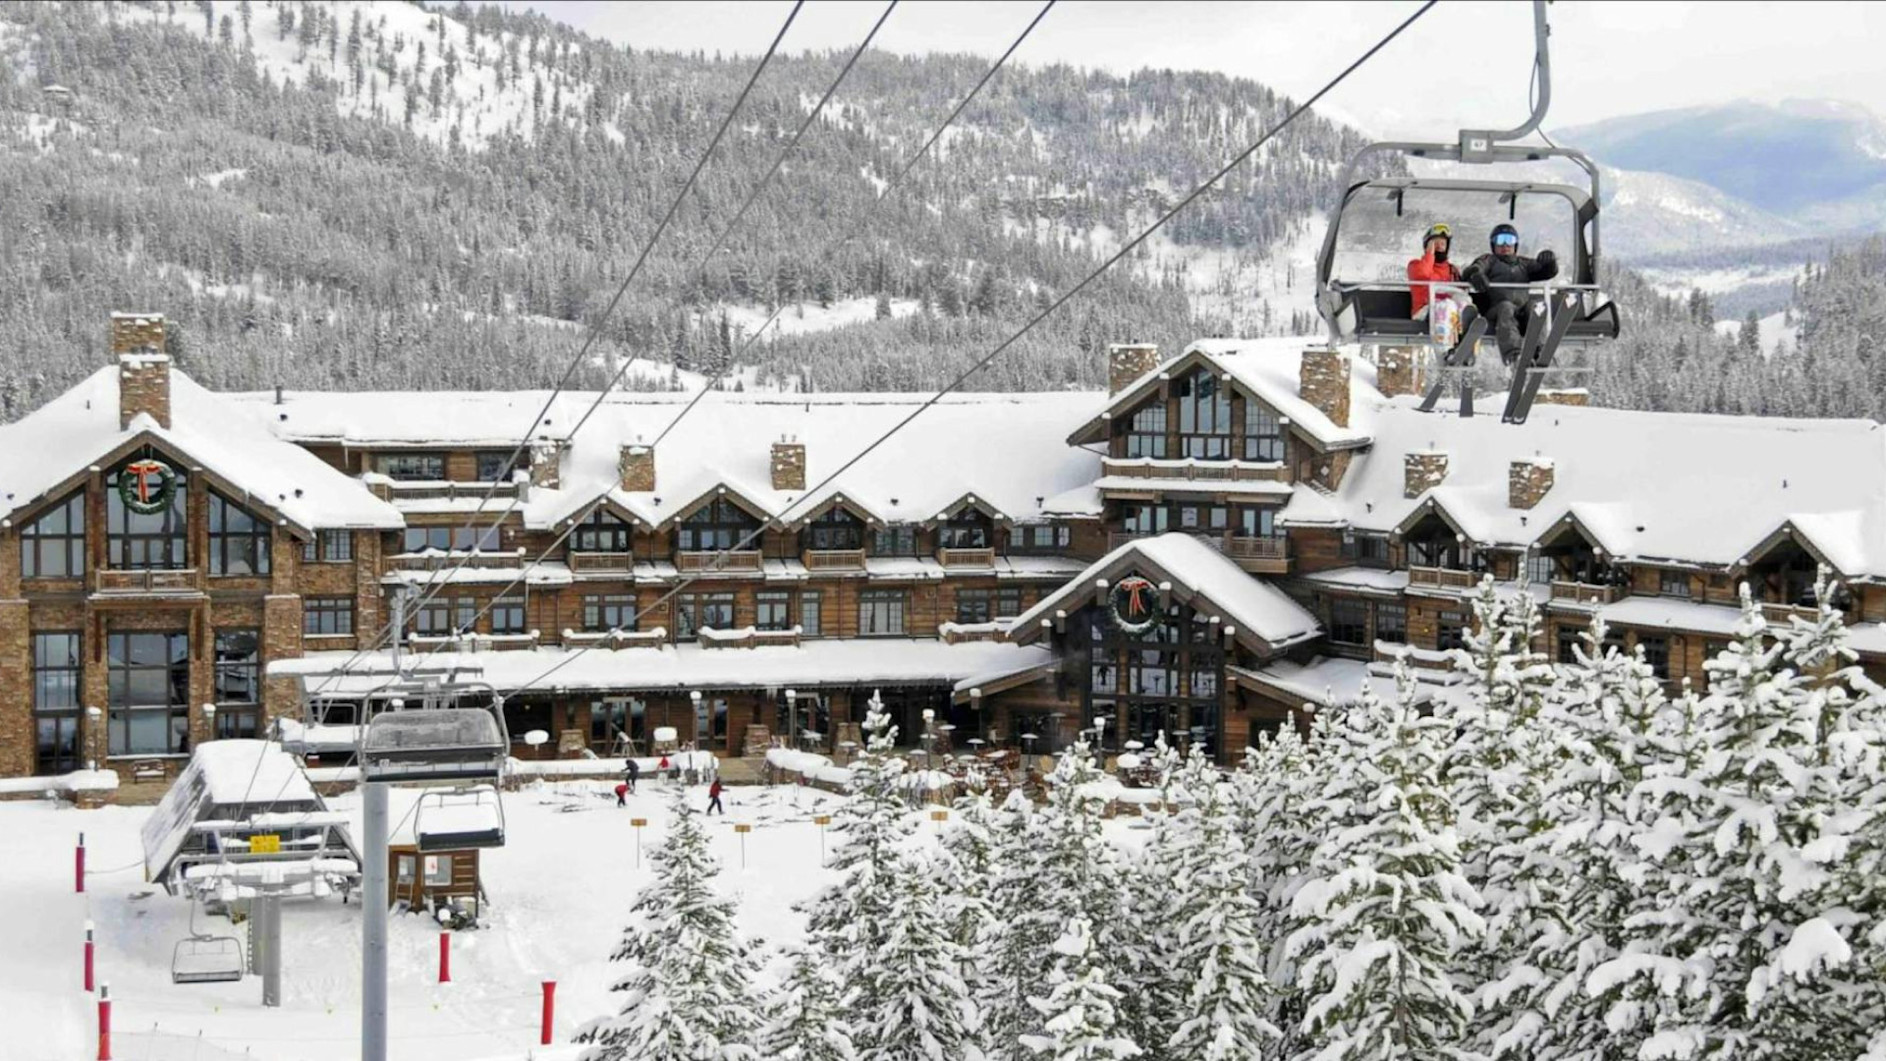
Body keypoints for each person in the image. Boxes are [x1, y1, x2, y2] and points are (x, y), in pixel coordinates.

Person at [1462, 223, 1559, 365]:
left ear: (1516, 244)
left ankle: (1538, 349)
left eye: (1510, 240)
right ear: (1493, 244)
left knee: (1536, 307)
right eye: (1500, 240)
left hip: (1521, 310)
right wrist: (1475, 273)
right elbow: (1475, 268)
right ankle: (1513, 354)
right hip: (1496, 310)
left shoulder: (1523, 264)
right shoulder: (1490, 260)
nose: (1505, 245)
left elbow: (1545, 272)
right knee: (1506, 307)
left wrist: (1550, 262)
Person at [1406, 223, 1459, 319]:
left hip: (1450, 313)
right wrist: (1430, 254)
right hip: (1424, 312)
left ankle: (1468, 324)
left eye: (1443, 244)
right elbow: (1424, 274)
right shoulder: (1415, 265)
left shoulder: (1452, 270)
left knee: (1462, 300)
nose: (1439, 247)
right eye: (1436, 243)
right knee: (1444, 307)